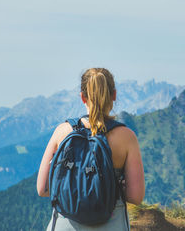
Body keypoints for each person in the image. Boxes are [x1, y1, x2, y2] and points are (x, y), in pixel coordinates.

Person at [37, 68, 145, 230]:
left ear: (82, 97)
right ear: (114, 95)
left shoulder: (62, 131)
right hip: (112, 223)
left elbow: (43, 189)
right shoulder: (126, 137)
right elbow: (135, 197)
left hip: (66, 224)